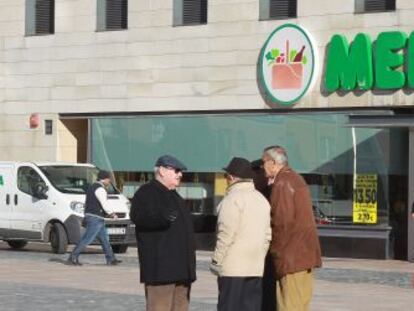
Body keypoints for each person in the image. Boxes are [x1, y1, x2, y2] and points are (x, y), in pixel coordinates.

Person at [130, 155, 196, 311]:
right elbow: (138, 217)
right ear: (161, 170)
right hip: (161, 272)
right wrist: (161, 218)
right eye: (177, 170)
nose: (180, 174)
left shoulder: (175, 195)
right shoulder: (146, 192)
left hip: (182, 272)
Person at [261, 145, 322, 311]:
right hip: (303, 255)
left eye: (263, 162)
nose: (262, 166)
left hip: (291, 257)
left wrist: (275, 253)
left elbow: (281, 224)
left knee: (289, 305)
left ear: (273, 163)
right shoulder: (296, 178)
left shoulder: (282, 183)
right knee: (300, 305)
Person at [210, 157, 271, 311]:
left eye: (226, 177)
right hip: (255, 268)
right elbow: (267, 236)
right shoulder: (261, 200)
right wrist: (258, 257)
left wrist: (216, 261)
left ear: (231, 177)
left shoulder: (232, 199)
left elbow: (225, 235)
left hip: (232, 269)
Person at [67, 170, 121, 266]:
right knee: (87, 239)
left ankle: (111, 259)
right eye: (109, 179)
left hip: (95, 217)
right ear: (104, 179)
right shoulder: (100, 189)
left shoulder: (92, 187)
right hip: (95, 218)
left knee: (104, 239)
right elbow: (104, 203)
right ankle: (72, 257)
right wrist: (112, 214)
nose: (109, 181)